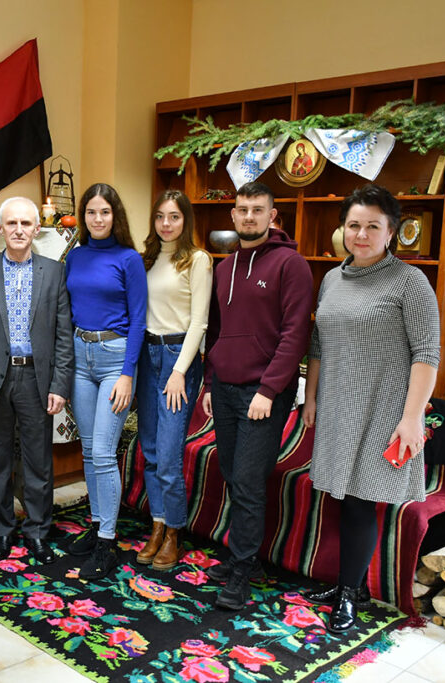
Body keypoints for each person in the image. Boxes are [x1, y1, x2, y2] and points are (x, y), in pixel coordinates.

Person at [301, 184, 440, 632]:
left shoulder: (410, 282)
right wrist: (312, 397)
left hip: (384, 411)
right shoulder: (332, 278)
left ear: (391, 232)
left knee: (361, 500)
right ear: (343, 228)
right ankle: (353, 584)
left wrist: (412, 417)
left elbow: (427, 353)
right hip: (337, 405)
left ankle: (348, 595)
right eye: (354, 225)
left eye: (372, 227)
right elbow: (318, 344)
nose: (361, 235)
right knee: (341, 496)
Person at [202, 181, 312, 611]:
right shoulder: (224, 268)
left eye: (257, 209)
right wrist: (210, 382)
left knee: (248, 480)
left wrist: (268, 389)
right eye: (242, 209)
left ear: (272, 215)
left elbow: (295, 334)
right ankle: (242, 558)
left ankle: (242, 572)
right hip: (224, 388)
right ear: (233, 215)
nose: (249, 216)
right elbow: (216, 330)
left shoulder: (291, 265)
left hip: (263, 393)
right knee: (232, 474)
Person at [0, 197, 73, 566]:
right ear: (1, 229)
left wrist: (60, 384)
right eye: (11, 223)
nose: (19, 230)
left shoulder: (54, 273)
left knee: (38, 461)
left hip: (37, 379)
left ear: (36, 229)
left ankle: (38, 530)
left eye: (26, 223)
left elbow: (63, 335)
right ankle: (2, 531)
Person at [63, 183, 146, 579]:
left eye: (105, 212)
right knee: (88, 450)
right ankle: (97, 527)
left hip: (115, 358)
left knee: (102, 451)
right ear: (84, 216)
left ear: (116, 216)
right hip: (81, 357)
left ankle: (108, 543)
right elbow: (67, 309)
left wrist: (128, 374)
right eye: (91, 212)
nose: (98, 219)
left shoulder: (129, 259)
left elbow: (139, 320)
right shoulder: (75, 256)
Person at [135, 190, 212, 570]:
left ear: (186, 220)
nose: (166, 224)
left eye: (175, 217)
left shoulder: (197, 260)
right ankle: (157, 525)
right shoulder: (146, 259)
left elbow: (200, 322)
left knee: (167, 455)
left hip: (176, 358)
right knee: (149, 450)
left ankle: (174, 532)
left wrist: (180, 370)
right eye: (160, 217)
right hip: (146, 355)